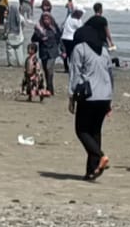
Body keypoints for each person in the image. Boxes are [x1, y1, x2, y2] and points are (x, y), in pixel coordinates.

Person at [68, 25, 114, 180]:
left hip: (89, 96)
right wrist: (109, 101)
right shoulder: (104, 50)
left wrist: (71, 97)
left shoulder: (80, 49)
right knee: (95, 132)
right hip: (105, 95)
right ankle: (91, 170)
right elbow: (110, 75)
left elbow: (75, 74)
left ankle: (100, 156)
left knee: (81, 130)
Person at [31, 12, 61, 96]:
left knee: (49, 68)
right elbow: (33, 39)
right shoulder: (39, 29)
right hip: (44, 52)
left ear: (50, 19)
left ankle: (50, 88)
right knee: (46, 71)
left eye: (47, 19)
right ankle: (49, 89)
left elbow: (59, 38)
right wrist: (40, 38)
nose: (46, 20)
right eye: (44, 19)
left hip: (52, 52)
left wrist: (63, 50)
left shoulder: (54, 28)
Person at [4, 2, 25, 67]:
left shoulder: (7, 19)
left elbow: (6, 28)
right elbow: (23, 25)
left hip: (10, 37)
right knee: (19, 51)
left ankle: (11, 64)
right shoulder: (21, 17)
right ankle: (20, 63)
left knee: (10, 52)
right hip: (19, 37)